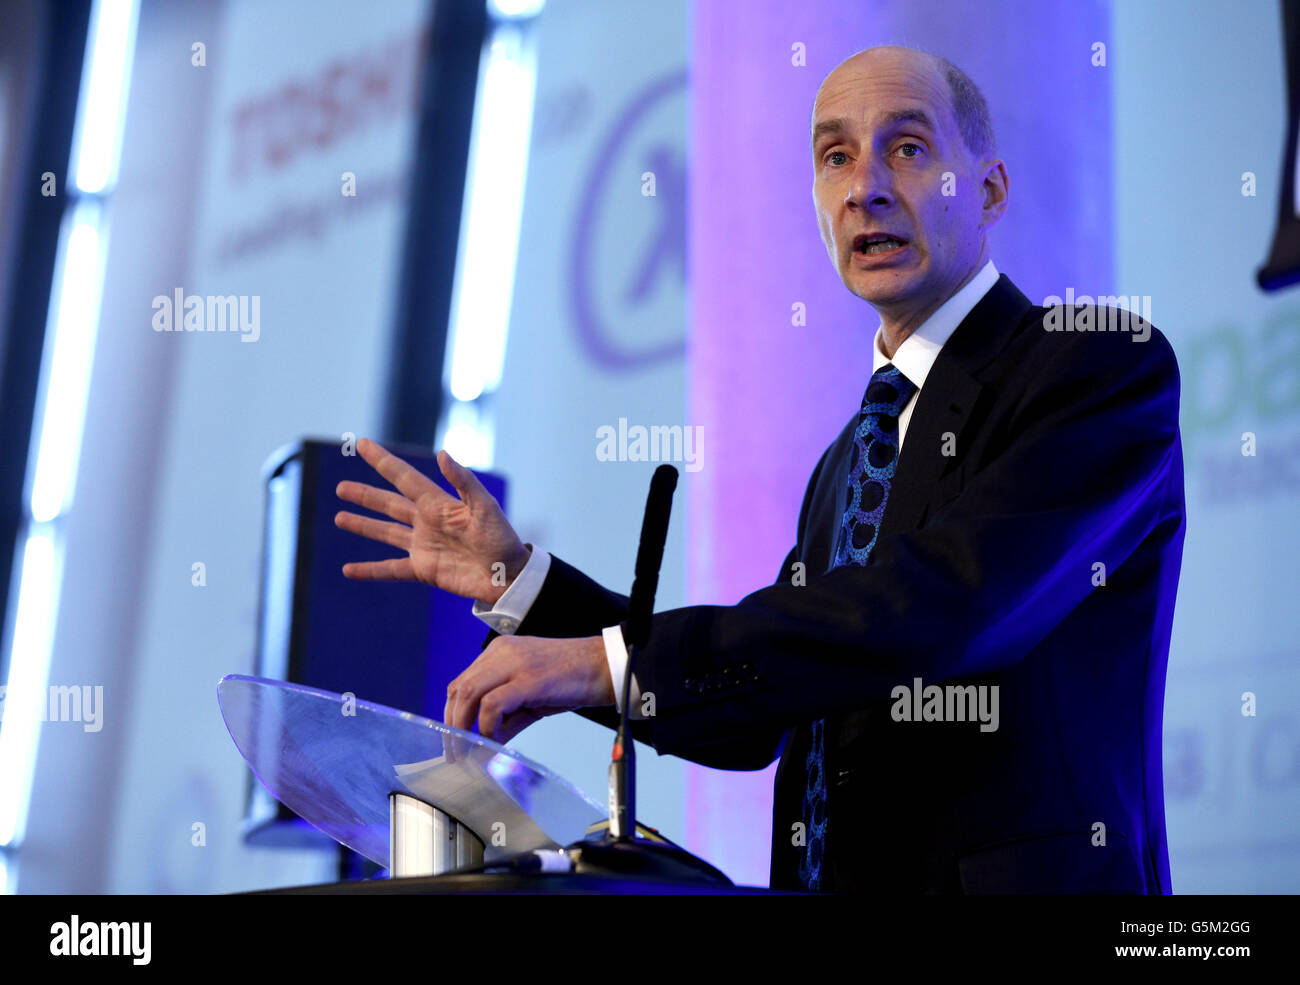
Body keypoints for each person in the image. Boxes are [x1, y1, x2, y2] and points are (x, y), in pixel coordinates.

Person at [334, 46, 1185, 894]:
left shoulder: (1096, 365)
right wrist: (522, 583)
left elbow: (944, 607)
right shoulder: (849, 459)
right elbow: (758, 710)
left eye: (909, 148)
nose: (866, 187)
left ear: (990, 189)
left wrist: (610, 659)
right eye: (835, 156)